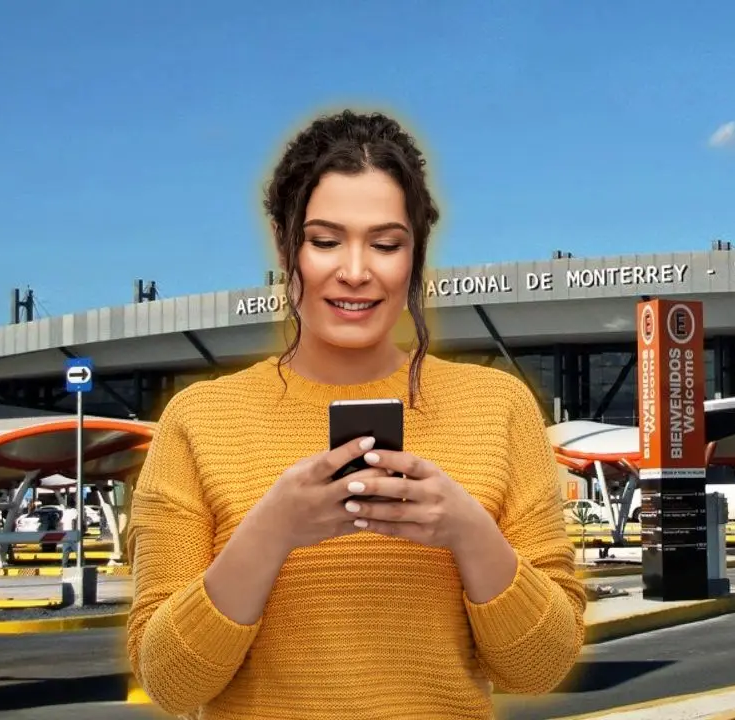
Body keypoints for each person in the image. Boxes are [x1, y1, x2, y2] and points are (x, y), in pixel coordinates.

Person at [125, 109, 586, 720]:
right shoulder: (199, 420)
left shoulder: (496, 407)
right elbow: (169, 680)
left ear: (416, 250)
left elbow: (542, 665)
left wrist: (469, 531)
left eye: (386, 243)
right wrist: (272, 530)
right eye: (324, 240)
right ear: (283, 240)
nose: (356, 271)